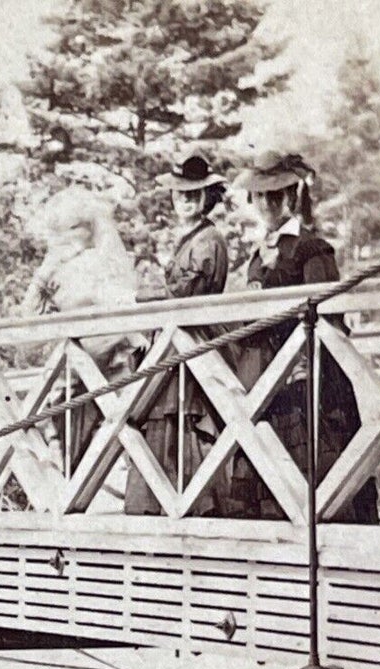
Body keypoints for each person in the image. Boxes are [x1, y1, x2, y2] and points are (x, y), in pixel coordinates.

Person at [225, 151, 377, 523]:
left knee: (318, 476)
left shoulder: (311, 249)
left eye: (274, 195)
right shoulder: (258, 255)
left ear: (291, 195)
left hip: (307, 378)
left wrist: (306, 360)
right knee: (269, 474)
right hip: (267, 378)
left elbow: (328, 318)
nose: (265, 203)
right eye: (259, 195)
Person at [131, 151, 230, 516]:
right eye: (179, 195)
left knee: (188, 421)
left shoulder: (209, 240)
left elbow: (186, 294)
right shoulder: (188, 238)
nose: (185, 201)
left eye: (193, 194)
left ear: (206, 198)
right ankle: (161, 506)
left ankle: (198, 507)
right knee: (162, 422)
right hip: (175, 344)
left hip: (195, 342)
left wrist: (141, 295)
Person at [21, 188, 144, 478]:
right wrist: (43, 276)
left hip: (102, 362)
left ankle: (80, 485)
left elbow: (118, 311)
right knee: (49, 419)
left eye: (74, 227)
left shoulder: (100, 264)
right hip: (76, 366)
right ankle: (69, 485)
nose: (66, 236)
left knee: (106, 427)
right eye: (63, 228)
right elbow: (28, 318)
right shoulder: (57, 267)